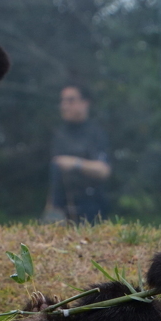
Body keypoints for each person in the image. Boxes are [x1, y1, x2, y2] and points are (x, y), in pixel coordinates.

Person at [42, 84, 112, 223]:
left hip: (92, 209)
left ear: (85, 103)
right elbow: (55, 178)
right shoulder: (60, 135)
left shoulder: (96, 134)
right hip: (63, 211)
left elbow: (104, 170)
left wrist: (76, 163)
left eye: (71, 100)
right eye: (63, 101)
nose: (64, 105)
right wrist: (49, 211)